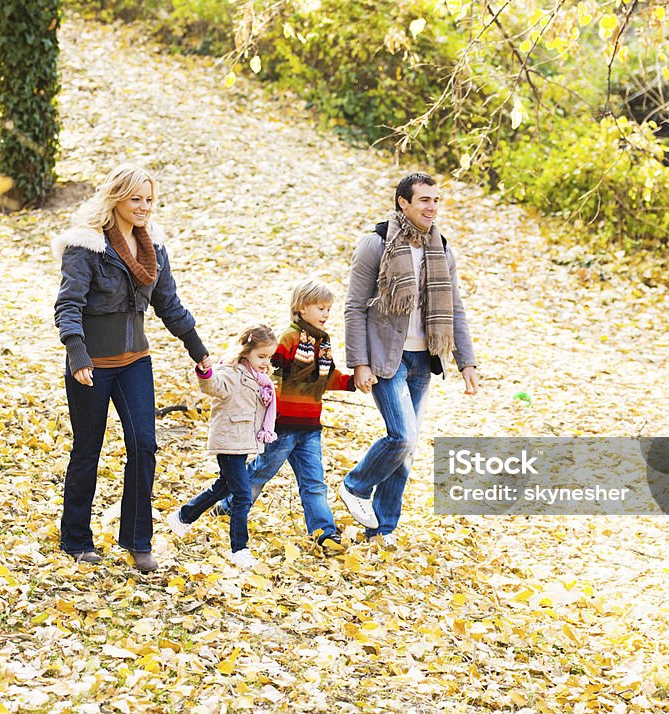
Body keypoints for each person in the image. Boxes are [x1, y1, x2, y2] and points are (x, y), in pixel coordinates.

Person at [52, 164, 210, 573]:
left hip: (135, 361)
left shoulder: (152, 247)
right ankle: (76, 538)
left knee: (144, 445)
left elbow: (169, 304)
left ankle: (138, 540)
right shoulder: (85, 247)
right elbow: (68, 306)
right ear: (117, 198)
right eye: (136, 199)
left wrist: (198, 350)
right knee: (88, 448)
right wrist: (77, 353)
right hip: (92, 364)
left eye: (150, 199)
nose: (144, 207)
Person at [338, 172, 479, 546]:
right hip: (387, 357)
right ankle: (355, 486)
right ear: (404, 202)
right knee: (403, 435)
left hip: (424, 360)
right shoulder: (377, 243)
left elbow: (455, 309)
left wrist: (467, 362)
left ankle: (382, 528)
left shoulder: (441, 249)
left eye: (436, 200)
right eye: (424, 200)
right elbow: (354, 306)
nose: (432, 207)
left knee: (408, 448)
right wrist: (359, 363)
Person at [213, 278, 356, 550]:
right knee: (260, 472)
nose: (326, 314)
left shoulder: (323, 343)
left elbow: (327, 377)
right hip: (284, 426)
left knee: (314, 481)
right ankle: (229, 506)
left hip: (310, 427)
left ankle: (323, 532)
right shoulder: (289, 338)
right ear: (301, 308)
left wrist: (353, 382)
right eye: (320, 308)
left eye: (328, 308)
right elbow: (265, 368)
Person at [167, 325, 279, 568]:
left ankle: (183, 516)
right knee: (241, 494)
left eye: (269, 357)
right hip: (229, 441)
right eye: (261, 356)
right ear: (246, 351)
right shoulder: (232, 372)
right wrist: (205, 373)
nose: (265, 362)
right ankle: (239, 548)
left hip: (242, 441)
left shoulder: (260, 378)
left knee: (224, 486)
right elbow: (213, 386)